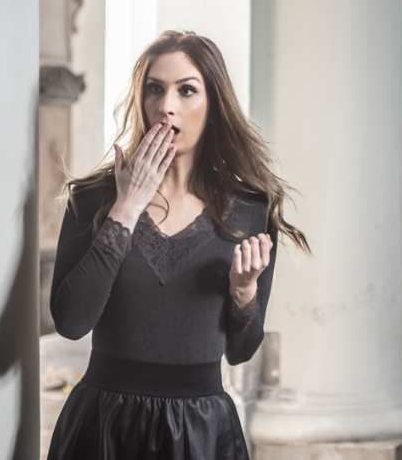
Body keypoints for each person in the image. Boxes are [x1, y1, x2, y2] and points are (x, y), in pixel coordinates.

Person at [46, 31, 311, 459]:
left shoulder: (250, 209)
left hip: (200, 432)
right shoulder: (93, 197)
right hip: (103, 427)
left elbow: (241, 351)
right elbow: (71, 322)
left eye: (186, 90)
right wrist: (127, 208)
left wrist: (244, 293)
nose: (167, 105)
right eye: (155, 89)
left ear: (213, 103)